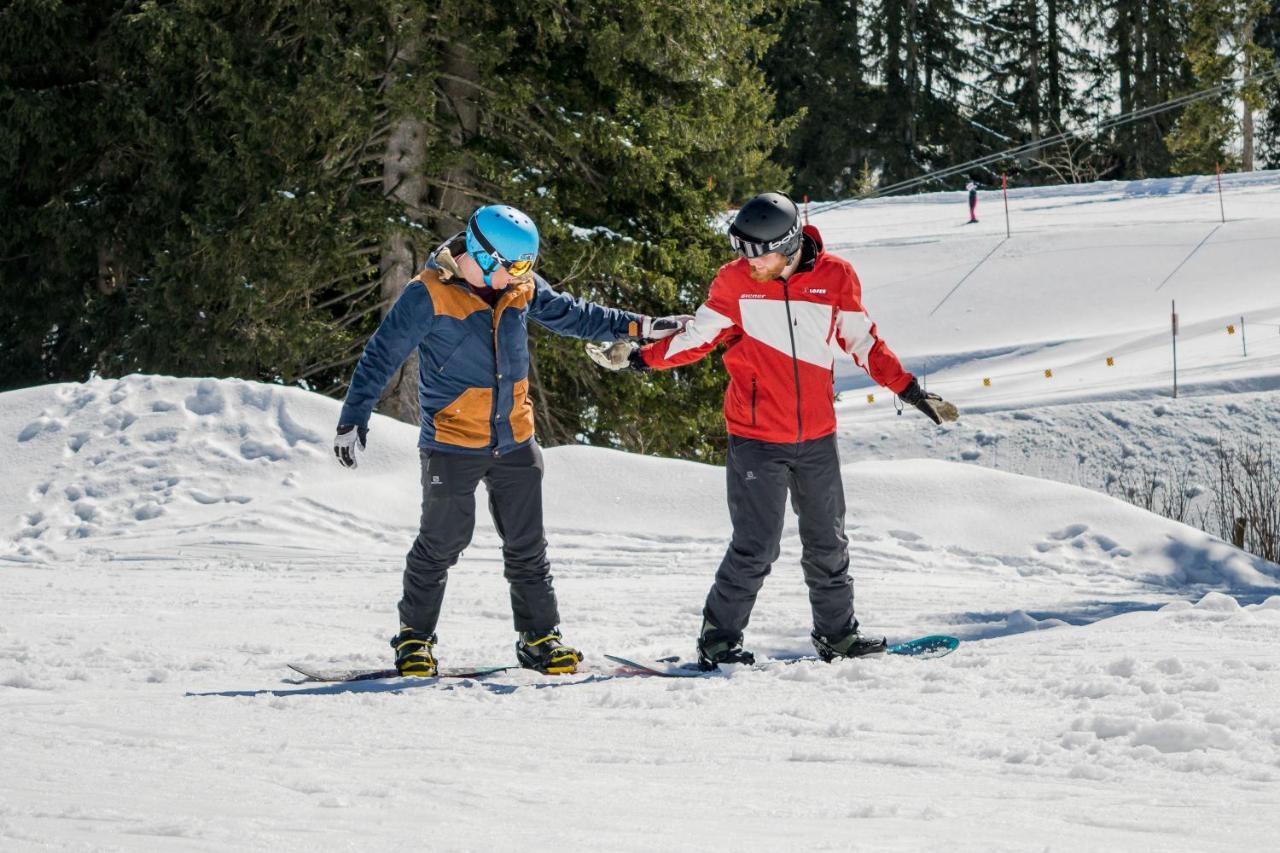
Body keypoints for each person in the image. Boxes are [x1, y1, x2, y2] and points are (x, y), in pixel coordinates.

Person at [587, 191, 958, 669]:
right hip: (757, 438)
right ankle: (718, 641)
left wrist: (909, 390)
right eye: (740, 250)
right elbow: (696, 338)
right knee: (756, 546)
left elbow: (863, 341)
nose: (746, 262)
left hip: (817, 437)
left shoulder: (835, 277)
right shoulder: (734, 283)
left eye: (755, 254)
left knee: (828, 541)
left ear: (788, 244)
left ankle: (838, 637)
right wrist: (638, 358)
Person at [334, 204, 688, 677]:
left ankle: (540, 638)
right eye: (515, 267)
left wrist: (639, 326)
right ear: (481, 257)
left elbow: (572, 315)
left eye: (528, 268)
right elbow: (381, 356)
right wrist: (353, 418)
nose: (523, 277)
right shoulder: (427, 296)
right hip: (452, 442)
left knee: (527, 545)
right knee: (442, 542)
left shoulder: (519, 288)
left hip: (515, 437)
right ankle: (414, 640)